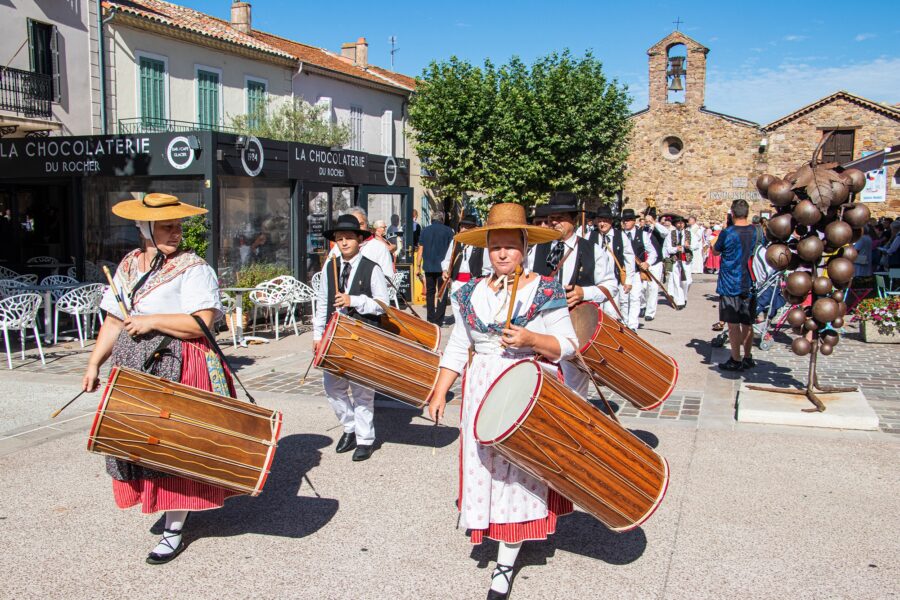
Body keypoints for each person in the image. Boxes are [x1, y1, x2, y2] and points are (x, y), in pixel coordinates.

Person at [428, 202, 578, 600]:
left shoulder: (544, 289)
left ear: (525, 247)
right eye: (496, 246)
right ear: (486, 248)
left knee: (518, 473)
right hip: (481, 388)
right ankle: (491, 525)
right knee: (485, 467)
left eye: (511, 246)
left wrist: (532, 340)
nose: (503, 254)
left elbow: (568, 345)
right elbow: (459, 345)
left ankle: (506, 561)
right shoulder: (468, 291)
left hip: (525, 388)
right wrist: (442, 388)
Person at [81, 193, 236, 565]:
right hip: (135, 365)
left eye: (178, 225)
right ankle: (161, 507)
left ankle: (173, 528)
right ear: (144, 227)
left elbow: (202, 321)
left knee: (171, 446)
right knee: (138, 442)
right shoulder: (129, 264)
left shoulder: (193, 267)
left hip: (177, 363)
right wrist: (93, 364)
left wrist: (151, 320)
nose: (176, 232)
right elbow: (115, 320)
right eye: (167, 226)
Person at [313, 214, 389, 461]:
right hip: (334, 335)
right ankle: (350, 427)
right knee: (332, 386)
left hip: (362, 335)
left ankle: (365, 439)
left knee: (362, 390)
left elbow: (382, 305)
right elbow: (322, 301)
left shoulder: (371, 268)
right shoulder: (330, 266)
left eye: (348, 238)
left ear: (359, 239)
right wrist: (317, 335)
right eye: (339, 239)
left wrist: (353, 300)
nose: (343, 242)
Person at [528, 192, 617, 397]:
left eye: (560, 219)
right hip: (540, 325)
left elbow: (611, 286)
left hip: (575, 325)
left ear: (574, 220)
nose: (554, 223)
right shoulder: (536, 250)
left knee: (574, 386)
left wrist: (583, 292)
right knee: (541, 381)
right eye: (551, 220)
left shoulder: (592, 250)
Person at [712, 199, 762, 371]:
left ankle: (736, 358)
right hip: (749, 282)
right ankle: (748, 356)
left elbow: (715, 250)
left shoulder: (728, 232)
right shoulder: (755, 231)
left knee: (733, 324)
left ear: (732, 214)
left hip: (730, 282)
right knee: (747, 322)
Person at [441, 215, 491, 319]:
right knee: (457, 312)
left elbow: (487, 267)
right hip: (456, 282)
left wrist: (482, 283)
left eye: (467, 227)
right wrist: (445, 270)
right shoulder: (455, 242)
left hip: (474, 283)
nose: (463, 229)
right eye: (462, 226)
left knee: (472, 313)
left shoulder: (481, 243)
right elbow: (447, 260)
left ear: (474, 229)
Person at [590, 205, 635, 314]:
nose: (602, 224)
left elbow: (629, 258)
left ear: (610, 221)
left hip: (613, 281)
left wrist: (628, 281)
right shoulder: (590, 236)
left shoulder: (620, 236)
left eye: (605, 221)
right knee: (595, 312)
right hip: (594, 282)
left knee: (611, 312)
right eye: (600, 221)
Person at [328, 207, 395, 279]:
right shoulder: (338, 247)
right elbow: (327, 274)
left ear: (367, 225)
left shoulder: (379, 248)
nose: (358, 228)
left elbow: (388, 277)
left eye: (361, 224)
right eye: (354, 224)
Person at [417, 210, 455, 325]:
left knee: (430, 293)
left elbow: (420, 249)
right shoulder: (449, 231)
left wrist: (418, 266)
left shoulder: (425, 231)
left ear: (431, 219)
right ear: (442, 219)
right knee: (442, 293)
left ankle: (430, 318)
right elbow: (453, 250)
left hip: (428, 266)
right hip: (443, 268)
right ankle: (439, 320)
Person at [618, 209, 646, 330]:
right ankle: (625, 322)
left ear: (634, 221)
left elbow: (653, 252)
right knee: (623, 299)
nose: (626, 222)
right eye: (624, 220)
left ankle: (633, 324)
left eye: (628, 220)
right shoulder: (618, 235)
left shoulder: (642, 234)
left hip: (636, 272)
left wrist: (647, 263)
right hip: (622, 272)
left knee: (635, 298)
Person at [640, 207, 668, 322]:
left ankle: (650, 312)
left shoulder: (659, 229)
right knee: (642, 287)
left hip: (656, 262)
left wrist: (653, 222)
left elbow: (665, 233)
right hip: (644, 261)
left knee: (652, 288)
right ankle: (642, 305)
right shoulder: (644, 229)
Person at [663, 215, 693, 310]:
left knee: (687, 281)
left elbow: (696, 245)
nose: (680, 225)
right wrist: (676, 249)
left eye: (682, 223)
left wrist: (688, 246)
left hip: (686, 260)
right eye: (678, 223)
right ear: (675, 224)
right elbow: (668, 248)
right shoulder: (670, 234)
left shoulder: (689, 233)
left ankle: (684, 297)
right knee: (677, 281)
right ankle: (679, 301)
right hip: (675, 260)